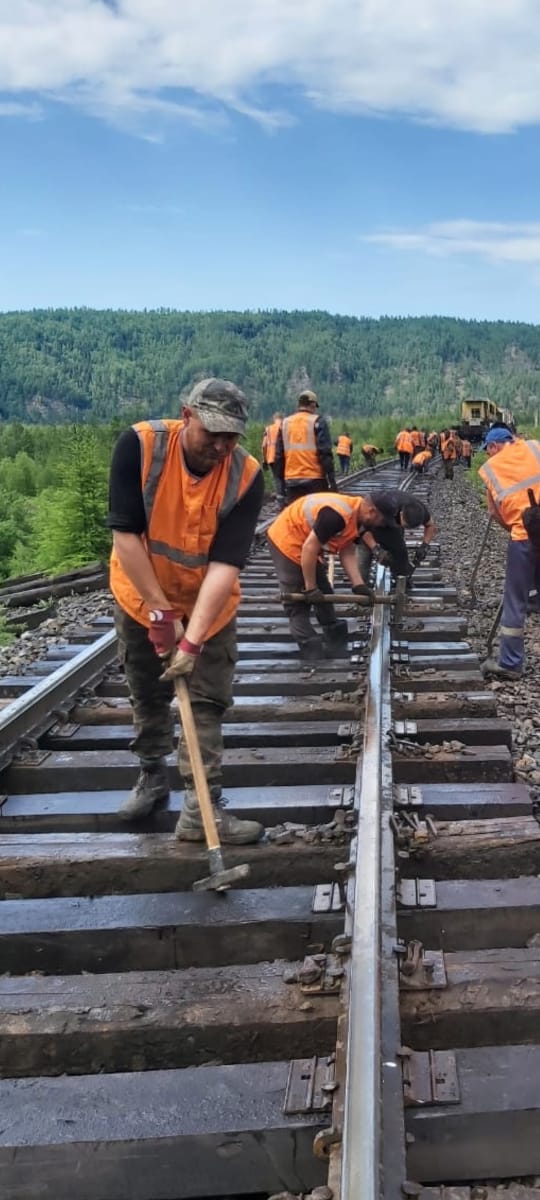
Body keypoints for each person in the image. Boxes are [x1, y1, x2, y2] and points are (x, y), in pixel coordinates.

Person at [107, 377, 265, 844]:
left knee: (207, 700)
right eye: (210, 432)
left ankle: (201, 811)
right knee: (147, 689)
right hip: (140, 592)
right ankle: (152, 776)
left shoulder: (247, 474)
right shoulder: (139, 446)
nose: (219, 446)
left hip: (207, 605)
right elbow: (126, 535)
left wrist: (192, 639)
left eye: (230, 436)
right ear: (186, 415)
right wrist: (159, 613)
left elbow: (225, 565)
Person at [266, 492, 383, 660]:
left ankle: (333, 637)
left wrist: (359, 585)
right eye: (381, 520)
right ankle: (311, 648)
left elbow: (347, 551)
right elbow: (308, 549)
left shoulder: (357, 517)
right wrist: (310, 587)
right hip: (287, 540)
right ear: (371, 512)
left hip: (306, 542)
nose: (381, 525)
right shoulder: (336, 515)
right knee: (297, 603)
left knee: (324, 591)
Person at [478, 428, 540, 680]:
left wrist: (516, 527)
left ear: (493, 446)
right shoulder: (535, 446)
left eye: (488, 449)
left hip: (525, 537)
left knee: (515, 600)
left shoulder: (490, 469)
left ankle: (510, 663)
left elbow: (495, 513)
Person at [357, 490, 437, 582]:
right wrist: (376, 549)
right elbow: (362, 529)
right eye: (402, 523)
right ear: (401, 513)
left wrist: (424, 546)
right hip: (371, 523)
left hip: (391, 526)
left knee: (401, 556)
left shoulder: (420, 510)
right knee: (362, 564)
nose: (403, 527)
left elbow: (430, 525)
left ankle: (400, 583)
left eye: (407, 527)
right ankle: (361, 586)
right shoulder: (385, 504)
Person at [274, 390, 337, 506]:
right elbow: (325, 453)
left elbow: (278, 456)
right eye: (315, 406)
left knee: (297, 517)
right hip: (315, 479)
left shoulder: (285, 423)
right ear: (312, 404)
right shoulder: (318, 421)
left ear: (299, 404)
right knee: (316, 517)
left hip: (292, 480)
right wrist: (332, 482)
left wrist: (280, 490)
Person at [262, 412, 284, 498]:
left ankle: (280, 500)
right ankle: (287, 499)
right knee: (285, 477)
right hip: (285, 457)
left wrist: (264, 460)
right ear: (282, 418)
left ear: (274, 419)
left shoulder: (268, 429)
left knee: (277, 478)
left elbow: (264, 445)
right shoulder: (286, 427)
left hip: (272, 457)